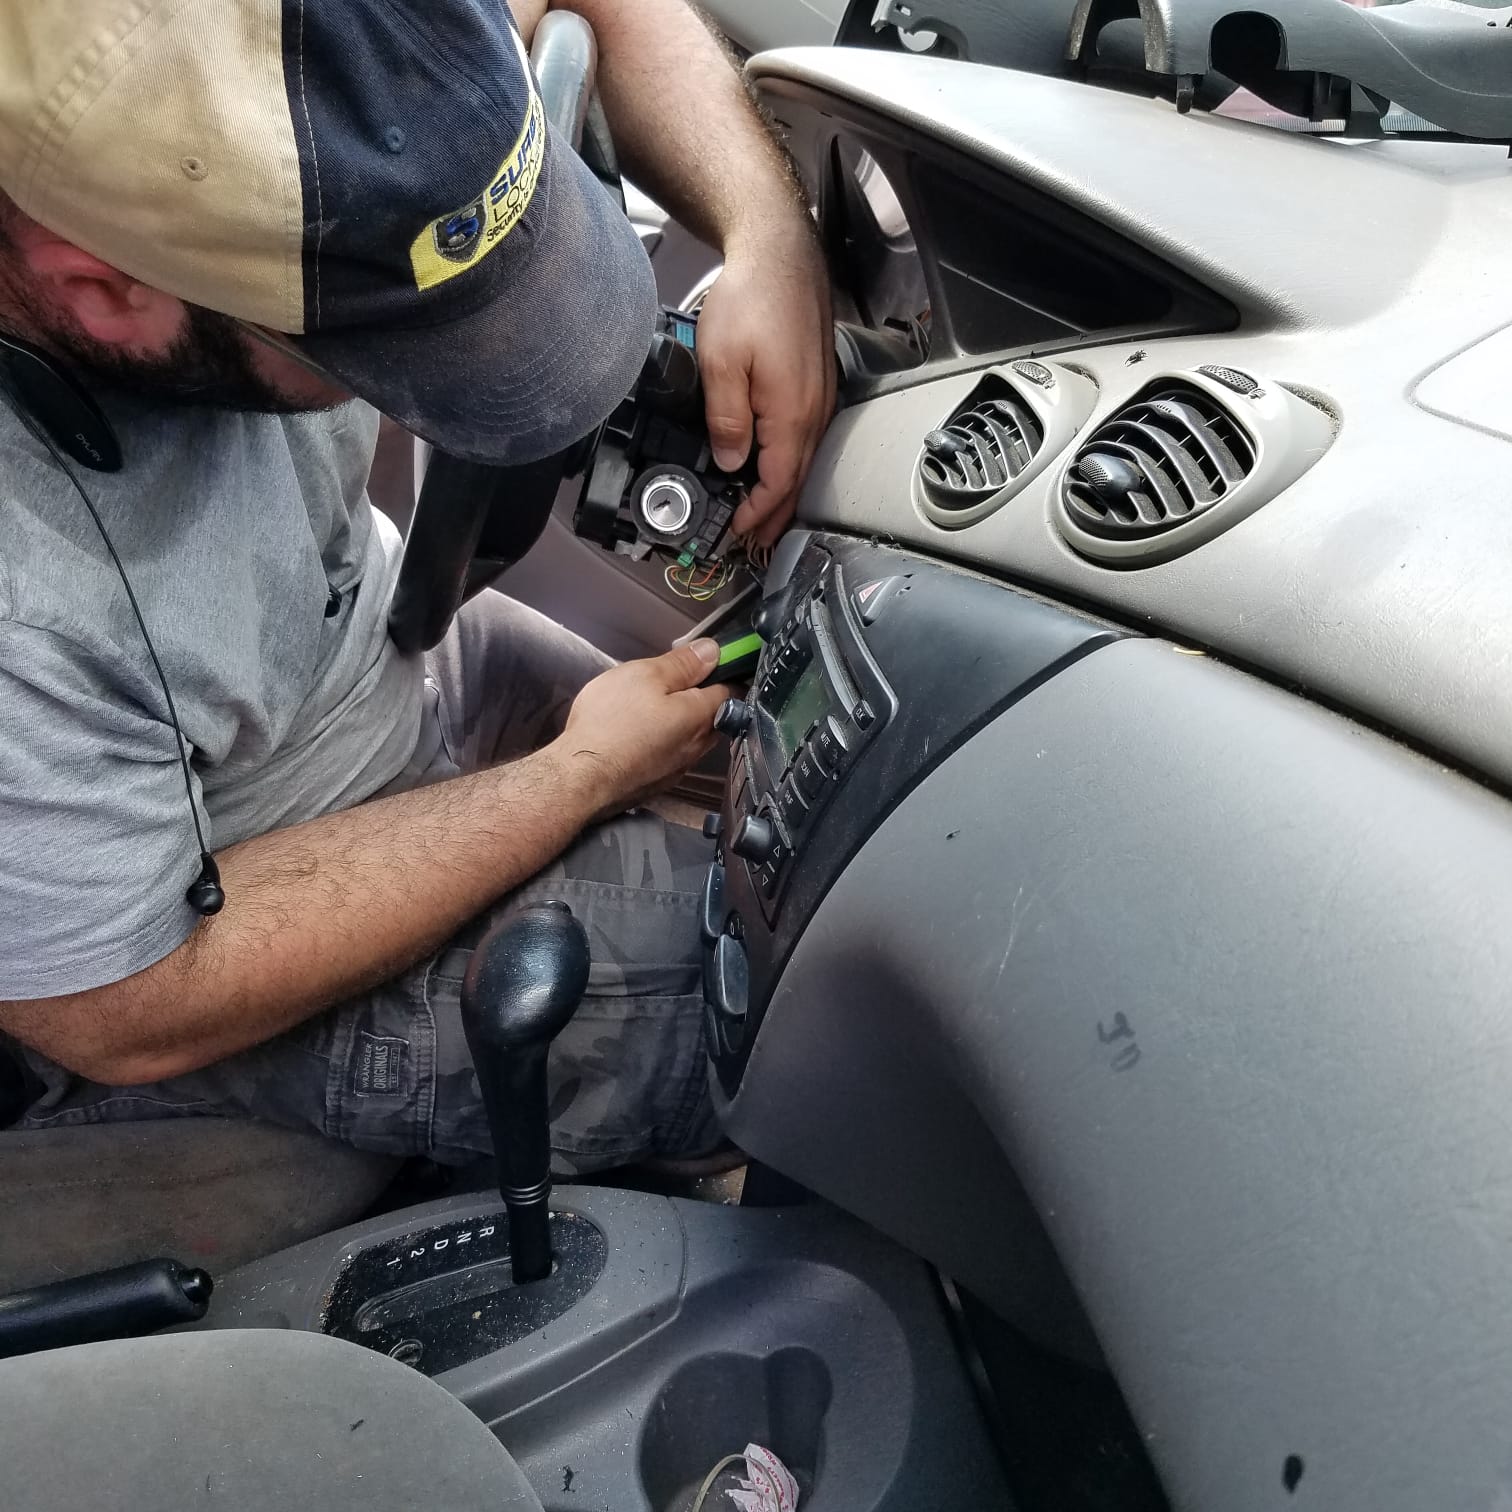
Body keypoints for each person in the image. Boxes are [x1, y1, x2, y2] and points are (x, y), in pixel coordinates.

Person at [0, 0, 835, 1172]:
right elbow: (118, 1007)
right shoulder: (21, 604)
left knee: (800, 783)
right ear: (105, 292)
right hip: (226, 913)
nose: (416, 393)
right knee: (792, 998)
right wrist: (577, 778)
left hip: (390, 650)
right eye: (386, 357)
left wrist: (768, 239)